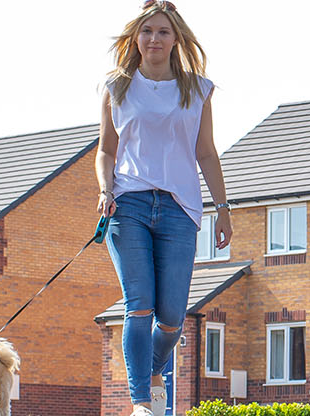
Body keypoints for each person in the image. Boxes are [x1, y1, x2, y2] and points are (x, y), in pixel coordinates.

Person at [95, 1, 231, 415]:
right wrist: (105, 189)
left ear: (176, 39)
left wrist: (222, 208)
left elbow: (206, 152)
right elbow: (105, 150)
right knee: (139, 305)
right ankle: (140, 403)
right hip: (129, 203)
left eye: (163, 32)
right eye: (147, 31)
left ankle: (152, 369)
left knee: (171, 316)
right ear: (135, 38)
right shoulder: (117, 86)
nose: (154, 38)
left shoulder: (196, 89)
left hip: (179, 208)